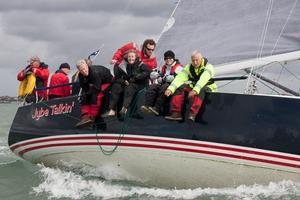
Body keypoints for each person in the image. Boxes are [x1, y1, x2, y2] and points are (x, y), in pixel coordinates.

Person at [164, 50, 217, 122]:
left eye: (197, 60)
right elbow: (180, 78)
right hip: (194, 87)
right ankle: (176, 113)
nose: (195, 62)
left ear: (201, 59)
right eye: (193, 60)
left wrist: (195, 90)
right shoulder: (189, 67)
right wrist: (170, 89)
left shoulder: (209, 67)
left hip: (208, 87)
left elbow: (203, 79)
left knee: (201, 89)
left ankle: (193, 114)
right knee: (180, 87)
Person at [103, 49, 151, 118]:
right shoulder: (123, 66)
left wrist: (137, 77)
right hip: (128, 82)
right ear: (126, 58)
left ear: (136, 57)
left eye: (132, 56)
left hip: (140, 83)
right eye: (129, 57)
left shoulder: (141, 64)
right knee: (116, 86)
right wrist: (123, 81)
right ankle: (112, 110)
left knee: (130, 87)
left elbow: (148, 72)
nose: (131, 58)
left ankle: (125, 107)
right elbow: (117, 78)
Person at [141, 50, 183, 115]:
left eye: (170, 58)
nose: (168, 60)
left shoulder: (178, 67)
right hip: (163, 83)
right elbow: (159, 74)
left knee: (164, 87)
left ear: (173, 58)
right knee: (152, 87)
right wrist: (157, 76)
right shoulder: (164, 67)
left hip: (172, 86)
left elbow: (178, 78)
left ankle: (157, 108)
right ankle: (148, 105)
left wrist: (164, 78)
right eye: (166, 58)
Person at [75, 59, 113, 128]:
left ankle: (92, 117)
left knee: (97, 95)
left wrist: (89, 93)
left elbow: (97, 88)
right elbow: (84, 87)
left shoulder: (94, 72)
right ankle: (85, 117)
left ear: (87, 66)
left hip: (107, 81)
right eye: (81, 70)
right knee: (85, 96)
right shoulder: (81, 76)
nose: (84, 71)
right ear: (79, 71)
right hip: (96, 83)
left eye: (84, 69)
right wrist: (85, 94)